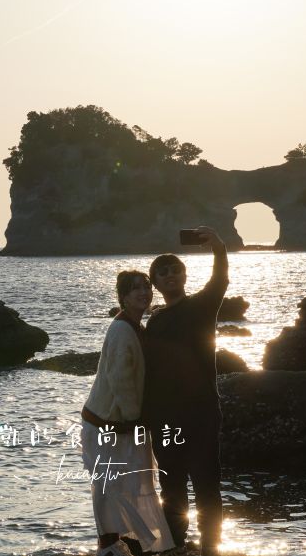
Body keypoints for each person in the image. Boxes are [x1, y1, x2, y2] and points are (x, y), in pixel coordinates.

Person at [143, 226, 229, 555]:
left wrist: (219, 248)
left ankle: (211, 549)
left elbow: (220, 281)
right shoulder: (155, 321)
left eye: (175, 269)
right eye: (162, 272)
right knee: (172, 488)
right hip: (165, 418)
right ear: (155, 284)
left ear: (184, 274)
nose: (170, 275)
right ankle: (176, 546)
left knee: (207, 487)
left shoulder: (202, 306)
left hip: (202, 414)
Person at [81, 271, 175, 556]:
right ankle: (111, 545)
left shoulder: (134, 325)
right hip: (110, 423)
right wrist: (136, 420)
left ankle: (124, 544)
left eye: (147, 287)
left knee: (122, 484)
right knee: (115, 486)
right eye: (135, 289)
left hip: (116, 421)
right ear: (122, 297)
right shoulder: (123, 329)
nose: (144, 293)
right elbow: (120, 378)